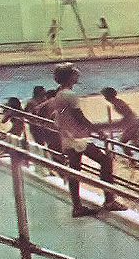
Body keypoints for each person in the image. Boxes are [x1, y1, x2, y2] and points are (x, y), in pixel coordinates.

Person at [41, 63, 126, 217]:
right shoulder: (70, 95)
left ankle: (77, 206)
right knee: (106, 161)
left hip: (67, 137)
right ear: (69, 76)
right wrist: (98, 131)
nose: (77, 74)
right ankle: (109, 200)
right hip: (78, 138)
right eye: (75, 73)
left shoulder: (59, 94)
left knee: (75, 170)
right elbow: (80, 118)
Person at [101, 87, 139, 156]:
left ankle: (132, 159)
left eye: (105, 96)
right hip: (132, 122)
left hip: (131, 123)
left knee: (122, 142)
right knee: (136, 145)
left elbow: (128, 114)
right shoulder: (117, 102)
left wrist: (121, 123)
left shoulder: (117, 104)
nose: (105, 98)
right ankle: (133, 159)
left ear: (109, 96)